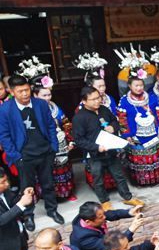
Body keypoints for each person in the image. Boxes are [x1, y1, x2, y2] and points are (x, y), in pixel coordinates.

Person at [0, 74, 62, 229]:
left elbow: (50, 126)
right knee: (26, 188)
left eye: (27, 90)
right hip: (24, 155)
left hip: (45, 151)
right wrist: (16, 156)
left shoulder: (40, 104)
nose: (25, 94)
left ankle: (52, 210)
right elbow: (4, 135)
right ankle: (28, 215)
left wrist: (53, 147)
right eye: (20, 91)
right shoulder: (5, 109)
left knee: (48, 184)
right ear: (12, 92)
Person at [72, 86, 143, 211]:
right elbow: (79, 140)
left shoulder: (104, 109)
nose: (97, 101)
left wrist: (112, 127)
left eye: (98, 98)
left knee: (119, 175)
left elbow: (115, 121)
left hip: (110, 150)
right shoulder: (79, 118)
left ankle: (127, 197)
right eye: (93, 99)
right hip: (94, 154)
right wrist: (96, 147)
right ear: (84, 101)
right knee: (98, 178)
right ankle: (104, 201)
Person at [118, 75, 159, 186]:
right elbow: (122, 119)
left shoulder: (151, 98)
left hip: (152, 134)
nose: (139, 88)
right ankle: (140, 181)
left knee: (152, 158)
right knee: (138, 159)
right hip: (136, 136)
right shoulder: (124, 101)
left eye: (141, 85)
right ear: (129, 86)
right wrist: (127, 134)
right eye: (136, 85)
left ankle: (154, 180)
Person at [32, 82, 75, 202]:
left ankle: (67, 193)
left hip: (60, 143)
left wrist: (70, 141)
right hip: (43, 146)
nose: (47, 98)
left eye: (49, 95)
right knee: (46, 172)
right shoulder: (32, 110)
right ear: (35, 95)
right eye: (44, 95)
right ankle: (49, 198)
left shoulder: (55, 108)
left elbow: (66, 123)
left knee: (63, 168)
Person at [0, 170, 32, 250]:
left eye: (6, 180)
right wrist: (21, 204)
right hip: (6, 247)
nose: (7, 184)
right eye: (2, 182)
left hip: (19, 238)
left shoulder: (5, 192)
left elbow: (14, 203)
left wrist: (24, 196)